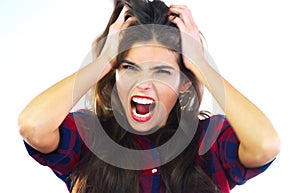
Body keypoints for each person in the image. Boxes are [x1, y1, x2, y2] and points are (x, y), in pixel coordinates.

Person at [18, 0, 281, 193]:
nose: (144, 83)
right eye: (129, 68)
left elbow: (265, 145)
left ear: (184, 84)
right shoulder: (89, 136)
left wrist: (200, 63)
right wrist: (104, 60)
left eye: (162, 71)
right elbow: (33, 125)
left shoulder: (207, 143)